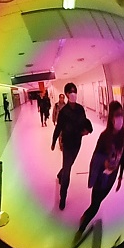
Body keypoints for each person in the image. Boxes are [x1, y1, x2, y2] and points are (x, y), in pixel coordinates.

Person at [74, 101, 124, 244]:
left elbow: (123, 154)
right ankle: (81, 229)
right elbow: (95, 156)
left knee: (97, 202)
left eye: (121, 114)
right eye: (117, 115)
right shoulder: (105, 136)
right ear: (111, 117)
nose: (120, 118)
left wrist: (120, 175)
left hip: (112, 177)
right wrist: (98, 170)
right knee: (96, 204)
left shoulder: (123, 134)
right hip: (101, 177)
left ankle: (86, 216)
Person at [51, 82, 92, 210]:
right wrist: (53, 142)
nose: (73, 94)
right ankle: (63, 197)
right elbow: (58, 128)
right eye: (71, 92)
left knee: (68, 165)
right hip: (67, 143)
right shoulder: (63, 112)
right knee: (68, 170)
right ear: (67, 94)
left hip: (77, 143)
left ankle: (59, 174)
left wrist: (87, 130)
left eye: (75, 91)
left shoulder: (80, 109)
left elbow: (85, 123)